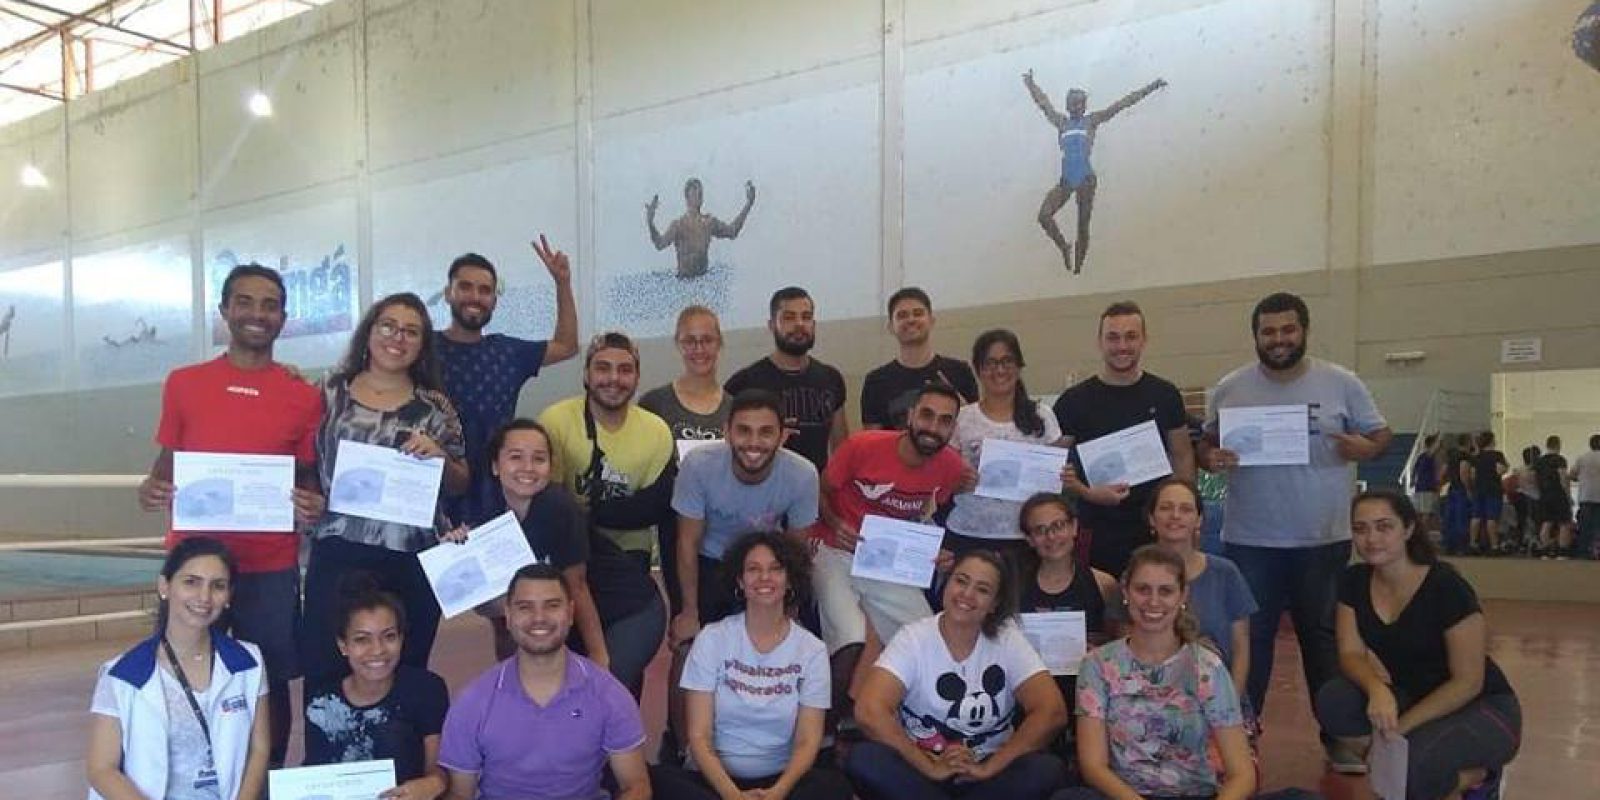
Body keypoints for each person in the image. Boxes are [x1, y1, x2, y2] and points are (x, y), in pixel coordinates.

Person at [137, 263, 325, 766]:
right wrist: (151, 489)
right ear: (224, 310)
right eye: (245, 302)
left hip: (269, 566)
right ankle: (186, 777)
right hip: (195, 565)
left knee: (270, 679)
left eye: (270, 305)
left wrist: (312, 502)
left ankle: (264, 779)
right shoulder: (184, 384)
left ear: (283, 317)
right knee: (182, 672)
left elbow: (307, 477)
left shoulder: (304, 395)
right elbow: (166, 465)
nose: (257, 314)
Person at [1200, 292, 1391, 760]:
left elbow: (1380, 434)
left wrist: (1367, 449)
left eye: (1287, 329)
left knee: (1325, 643)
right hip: (1250, 541)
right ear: (1256, 336)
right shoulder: (1230, 388)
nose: (1279, 339)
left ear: (1304, 330)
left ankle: (1339, 739)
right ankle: (1243, 737)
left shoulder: (1341, 382)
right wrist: (1211, 458)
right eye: (1268, 332)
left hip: (1322, 539)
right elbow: (1206, 445)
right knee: (1250, 643)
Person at [302, 293, 469, 682]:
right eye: (388, 326)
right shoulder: (327, 390)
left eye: (411, 331)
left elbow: (462, 480)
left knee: (403, 672)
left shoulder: (435, 407)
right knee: (327, 668)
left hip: (409, 558)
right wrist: (309, 494)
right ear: (369, 331)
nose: (398, 337)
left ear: (423, 344)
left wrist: (440, 458)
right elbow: (302, 457)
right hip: (338, 552)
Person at [1315, 489, 1521, 798]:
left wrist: (1397, 732)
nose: (1372, 539)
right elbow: (1351, 652)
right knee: (1335, 700)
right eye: (1361, 529)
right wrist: (1377, 689)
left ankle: (1481, 777)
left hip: (1483, 708)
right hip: (1414, 696)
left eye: (1384, 527)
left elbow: (1468, 682)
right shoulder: (1354, 581)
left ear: (1408, 529)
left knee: (1411, 770)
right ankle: (1419, 767)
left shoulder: (1446, 587)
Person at [665, 389, 820, 755]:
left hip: (765, 565)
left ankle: (789, 745)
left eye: (765, 432)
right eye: (744, 431)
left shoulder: (802, 474)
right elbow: (687, 542)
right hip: (710, 562)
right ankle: (682, 749)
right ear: (727, 432)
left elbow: (795, 552)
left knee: (793, 645)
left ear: (782, 435)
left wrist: (788, 609)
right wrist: (689, 612)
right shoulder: (699, 465)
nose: (753, 443)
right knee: (688, 648)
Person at [848, 550, 1069, 799]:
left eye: (982, 590)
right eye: (961, 581)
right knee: (865, 759)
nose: (967, 594)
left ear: (995, 604)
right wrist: (930, 767)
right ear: (947, 583)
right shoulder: (913, 638)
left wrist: (989, 767)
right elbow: (869, 709)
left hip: (988, 773)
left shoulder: (1008, 639)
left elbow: (1052, 711)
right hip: (922, 768)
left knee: (1046, 768)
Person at [651, 532, 852, 800]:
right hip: (714, 781)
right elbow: (698, 736)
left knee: (835, 786)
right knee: (657, 780)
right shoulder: (712, 638)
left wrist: (778, 792)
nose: (764, 578)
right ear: (740, 581)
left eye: (775, 569)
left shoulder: (811, 650)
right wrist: (732, 795)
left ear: (790, 580)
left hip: (780, 781)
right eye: (753, 569)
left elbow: (808, 741)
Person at [810, 383, 968, 724]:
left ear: (953, 428)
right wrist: (834, 521)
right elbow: (818, 490)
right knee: (851, 637)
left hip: (888, 565)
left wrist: (932, 551)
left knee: (926, 636)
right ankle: (823, 728)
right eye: (926, 415)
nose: (933, 427)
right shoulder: (862, 446)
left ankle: (912, 720)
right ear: (910, 416)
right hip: (835, 550)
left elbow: (924, 516)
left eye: (944, 421)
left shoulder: (951, 468)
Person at [1053, 545, 1256, 800]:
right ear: (1125, 592)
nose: (1153, 601)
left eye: (1166, 591)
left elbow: (1242, 774)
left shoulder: (1207, 667)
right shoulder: (1098, 665)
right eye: (1143, 589)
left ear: (1183, 596)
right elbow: (1093, 766)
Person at [438, 564, 651, 800]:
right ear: (508, 616)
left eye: (552, 605)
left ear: (571, 613)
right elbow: (459, 794)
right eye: (525, 607)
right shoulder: (472, 701)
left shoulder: (608, 693)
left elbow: (636, 786)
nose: (539, 618)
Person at [87, 537, 270, 800]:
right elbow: (101, 769)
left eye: (218, 586)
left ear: (228, 596)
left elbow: (259, 748)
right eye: (191, 582)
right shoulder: (122, 675)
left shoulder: (248, 662)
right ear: (164, 586)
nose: (204, 597)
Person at [433, 237, 578, 528]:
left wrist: (562, 283)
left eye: (485, 290)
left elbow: (566, 346)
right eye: (465, 287)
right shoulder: (423, 350)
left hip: (497, 496)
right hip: (434, 493)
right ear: (448, 294)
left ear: (494, 301)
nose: (475, 296)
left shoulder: (508, 352)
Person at [1055, 301, 1195, 578]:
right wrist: (1087, 493)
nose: (1122, 346)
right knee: (1101, 602)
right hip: (1096, 529)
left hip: (1155, 530)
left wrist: (1187, 513)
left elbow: (1182, 456)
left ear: (1144, 340)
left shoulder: (1165, 395)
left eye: (1130, 337)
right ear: (1100, 342)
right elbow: (1053, 468)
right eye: (1113, 337)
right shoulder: (1073, 401)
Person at [302, 574, 449, 800]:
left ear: (401, 638)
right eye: (362, 639)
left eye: (389, 636)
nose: (378, 650)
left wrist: (431, 785)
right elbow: (315, 774)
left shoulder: (426, 690)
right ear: (343, 645)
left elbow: (441, 770)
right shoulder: (322, 701)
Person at [540, 331, 676, 569]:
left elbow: (653, 506)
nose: (614, 378)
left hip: (630, 547)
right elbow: (551, 502)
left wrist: (589, 512)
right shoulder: (555, 422)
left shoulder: (657, 431)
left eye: (625, 370)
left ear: (637, 377)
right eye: (603, 368)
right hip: (568, 541)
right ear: (586, 374)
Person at [1125, 479, 1257, 708]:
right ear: (1151, 518)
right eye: (1166, 508)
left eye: (1185, 509)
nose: (1175, 516)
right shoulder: (1134, 574)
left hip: (1219, 697)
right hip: (1152, 702)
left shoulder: (1226, 573)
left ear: (1199, 520)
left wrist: (1229, 704)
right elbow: (1126, 648)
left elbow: (1241, 647)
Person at [1022, 70, 1167, 273]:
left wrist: (1152, 86)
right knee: (1044, 215)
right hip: (1067, 179)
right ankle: (1064, 246)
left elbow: (1123, 104)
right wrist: (1030, 83)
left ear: (1084, 106)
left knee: (1082, 225)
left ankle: (1078, 267)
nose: (1077, 107)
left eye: (1080, 104)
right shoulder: (1061, 123)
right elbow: (1043, 103)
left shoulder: (1091, 121)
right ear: (1067, 106)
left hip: (1085, 179)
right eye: (1073, 104)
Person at [641, 305, 734, 618]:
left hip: (725, 529)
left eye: (707, 340)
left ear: (719, 343)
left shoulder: (734, 407)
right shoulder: (654, 404)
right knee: (687, 618)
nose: (699, 349)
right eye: (690, 341)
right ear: (678, 344)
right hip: (676, 530)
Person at [1015, 492, 1117, 766]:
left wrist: (1099, 653)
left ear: (1074, 527)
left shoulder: (1103, 584)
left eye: (1058, 526)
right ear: (1029, 539)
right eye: (1040, 530)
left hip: (1085, 699)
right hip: (1027, 700)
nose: (1051, 537)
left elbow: (1120, 648)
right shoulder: (1013, 586)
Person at [946, 329, 1065, 562]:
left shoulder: (1042, 415)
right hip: (969, 534)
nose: (999, 370)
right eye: (990, 363)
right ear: (978, 370)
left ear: (1019, 366)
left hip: (1027, 536)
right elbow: (945, 476)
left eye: (1007, 361)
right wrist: (957, 483)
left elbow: (1054, 482)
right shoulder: (961, 418)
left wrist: (1063, 476)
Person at [725, 286, 847, 473]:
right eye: (789, 318)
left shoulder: (831, 378)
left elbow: (841, 448)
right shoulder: (744, 382)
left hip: (815, 486)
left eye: (806, 317)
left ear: (814, 324)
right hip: (759, 486)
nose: (799, 324)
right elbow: (727, 447)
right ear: (772, 325)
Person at [860, 287, 979, 430]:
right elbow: (873, 438)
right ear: (891, 326)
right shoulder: (876, 382)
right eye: (902, 315)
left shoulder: (960, 372)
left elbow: (975, 431)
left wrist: (964, 410)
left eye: (918, 313)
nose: (911, 320)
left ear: (931, 320)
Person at [647, 178, 756, 278]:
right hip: (684, 283)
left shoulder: (709, 222)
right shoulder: (678, 225)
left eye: (700, 193)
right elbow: (660, 244)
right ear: (687, 198)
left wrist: (749, 204)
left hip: (703, 281)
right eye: (695, 193)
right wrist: (650, 223)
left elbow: (732, 231)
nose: (698, 196)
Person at [1467, 431, 1508, 555]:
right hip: (1493, 489)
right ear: (1492, 441)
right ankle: (1494, 546)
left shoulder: (1476, 457)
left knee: (1476, 517)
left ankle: (1473, 544)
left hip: (1478, 489)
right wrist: (1506, 467)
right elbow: (1500, 471)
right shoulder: (1497, 455)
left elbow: (1472, 475)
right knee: (1492, 518)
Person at [1533, 435, 1574, 557]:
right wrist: (1568, 495)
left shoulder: (1539, 461)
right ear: (1558, 445)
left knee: (1546, 522)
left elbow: (1533, 478)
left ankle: (1545, 551)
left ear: (1547, 445)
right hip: (1558, 494)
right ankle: (1562, 552)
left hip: (1544, 495)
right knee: (1564, 523)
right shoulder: (1560, 460)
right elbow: (1563, 478)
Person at [1441, 434, 1475, 555]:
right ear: (1468, 442)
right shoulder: (1465, 456)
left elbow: (1443, 471)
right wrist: (1468, 489)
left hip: (1451, 488)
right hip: (1460, 489)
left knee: (1450, 518)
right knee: (1461, 518)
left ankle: (1448, 545)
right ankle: (1461, 547)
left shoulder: (1451, 456)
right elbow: (1463, 472)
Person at [1573, 434, 1600, 559]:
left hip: (1585, 496)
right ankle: (1596, 551)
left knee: (1585, 526)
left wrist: (1582, 478)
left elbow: (1572, 474)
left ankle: (1583, 552)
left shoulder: (1582, 458)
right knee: (1597, 526)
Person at [1411, 434, 1441, 535]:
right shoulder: (1427, 456)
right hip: (1426, 488)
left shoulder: (1421, 457)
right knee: (1426, 513)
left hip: (1420, 488)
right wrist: (1438, 437)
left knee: (1424, 513)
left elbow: (1414, 471)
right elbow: (1433, 448)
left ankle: (1421, 533)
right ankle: (1422, 534)